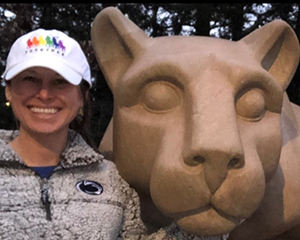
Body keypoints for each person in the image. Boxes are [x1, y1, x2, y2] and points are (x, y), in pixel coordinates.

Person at [0, 28, 147, 239]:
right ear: (8, 89)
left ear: (82, 96)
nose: (44, 94)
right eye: (30, 79)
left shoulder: (111, 179)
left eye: (60, 81)